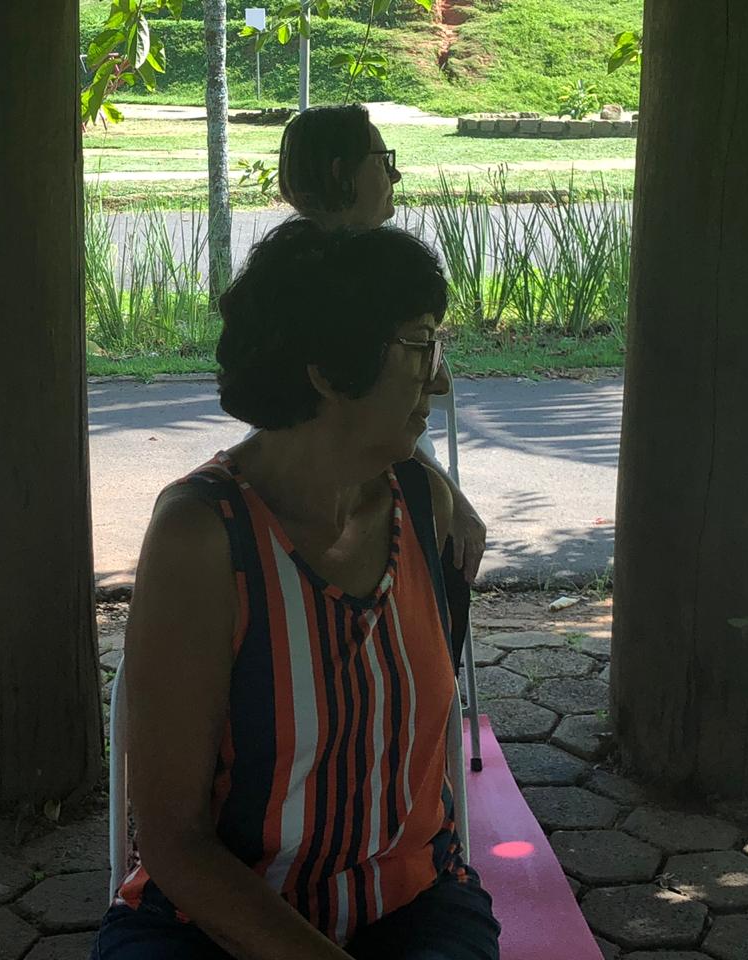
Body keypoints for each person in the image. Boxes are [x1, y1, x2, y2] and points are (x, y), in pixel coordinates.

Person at [92, 220, 501, 959]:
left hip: (410, 904)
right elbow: (175, 843)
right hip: (210, 920)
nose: (438, 377)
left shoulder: (422, 504)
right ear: (328, 370)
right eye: (418, 344)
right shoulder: (205, 536)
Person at [275, 104, 487, 587]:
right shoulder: (321, 285)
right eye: (381, 159)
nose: (396, 172)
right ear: (340, 172)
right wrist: (449, 497)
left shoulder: (319, 268)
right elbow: (356, 428)